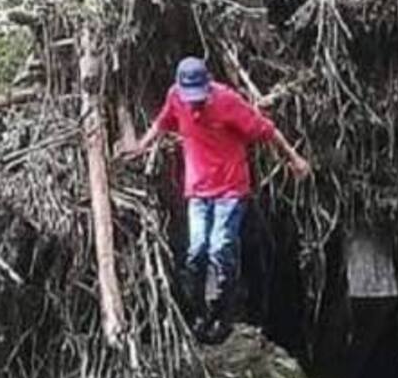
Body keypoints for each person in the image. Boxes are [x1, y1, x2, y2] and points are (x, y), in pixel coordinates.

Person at [120, 56, 310, 343]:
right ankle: (198, 314)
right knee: (196, 251)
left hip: (230, 191)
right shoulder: (176, 97)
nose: (194, 103)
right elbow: (162, 122)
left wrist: (294, 159)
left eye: (199, 97)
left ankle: (224, 314)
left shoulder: (227, 102)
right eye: (190, 97)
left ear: (208, 85)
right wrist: (140, 146)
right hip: (197, 190)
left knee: (221, 247)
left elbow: (267, 130)